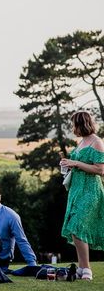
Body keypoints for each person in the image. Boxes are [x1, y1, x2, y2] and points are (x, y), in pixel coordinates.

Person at [60, 110, 104, 281]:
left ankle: (87, 269)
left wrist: (76, 162)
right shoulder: (82, 142)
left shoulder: (97, 142)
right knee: (73, 227)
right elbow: (79, 165)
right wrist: (68, 164)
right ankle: (81, 266)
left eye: (74, 124)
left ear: (82, 124)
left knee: (78, 225)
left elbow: (100, 169)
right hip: (77, 189)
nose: (73, 128)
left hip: (90, 190)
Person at [0, 181, 37, 271]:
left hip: (3, 262)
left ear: (0, 196)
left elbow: (22, 240)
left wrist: (32, 265)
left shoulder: (12, 216)